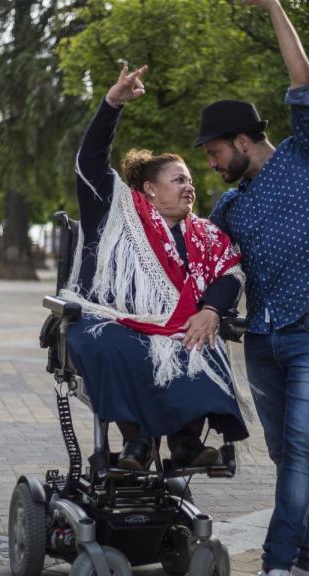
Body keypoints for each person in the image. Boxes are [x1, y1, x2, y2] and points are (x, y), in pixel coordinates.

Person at [196, 1, 309, 574]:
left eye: (214, 154)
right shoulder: (229, 206)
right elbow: (207, 263)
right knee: (286, 455)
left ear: (242, 140)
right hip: (260, 340)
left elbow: (302, 82)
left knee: (303, 449)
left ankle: (277, 563)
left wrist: (275, 7)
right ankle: (305, 558)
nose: (211, 165)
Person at [62, 64, 249, 472]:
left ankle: (185, 443)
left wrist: (211, 311)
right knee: (113, 343)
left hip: (179, 323)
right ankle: (137, 444)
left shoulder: (204, 233)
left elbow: (229, 273)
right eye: (178, 179)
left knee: (199, 340)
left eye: (190, 180)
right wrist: (112, 104)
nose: (190, 186)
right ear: (150, 188)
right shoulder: (116, 209)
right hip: (117, 319)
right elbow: (91, 161)